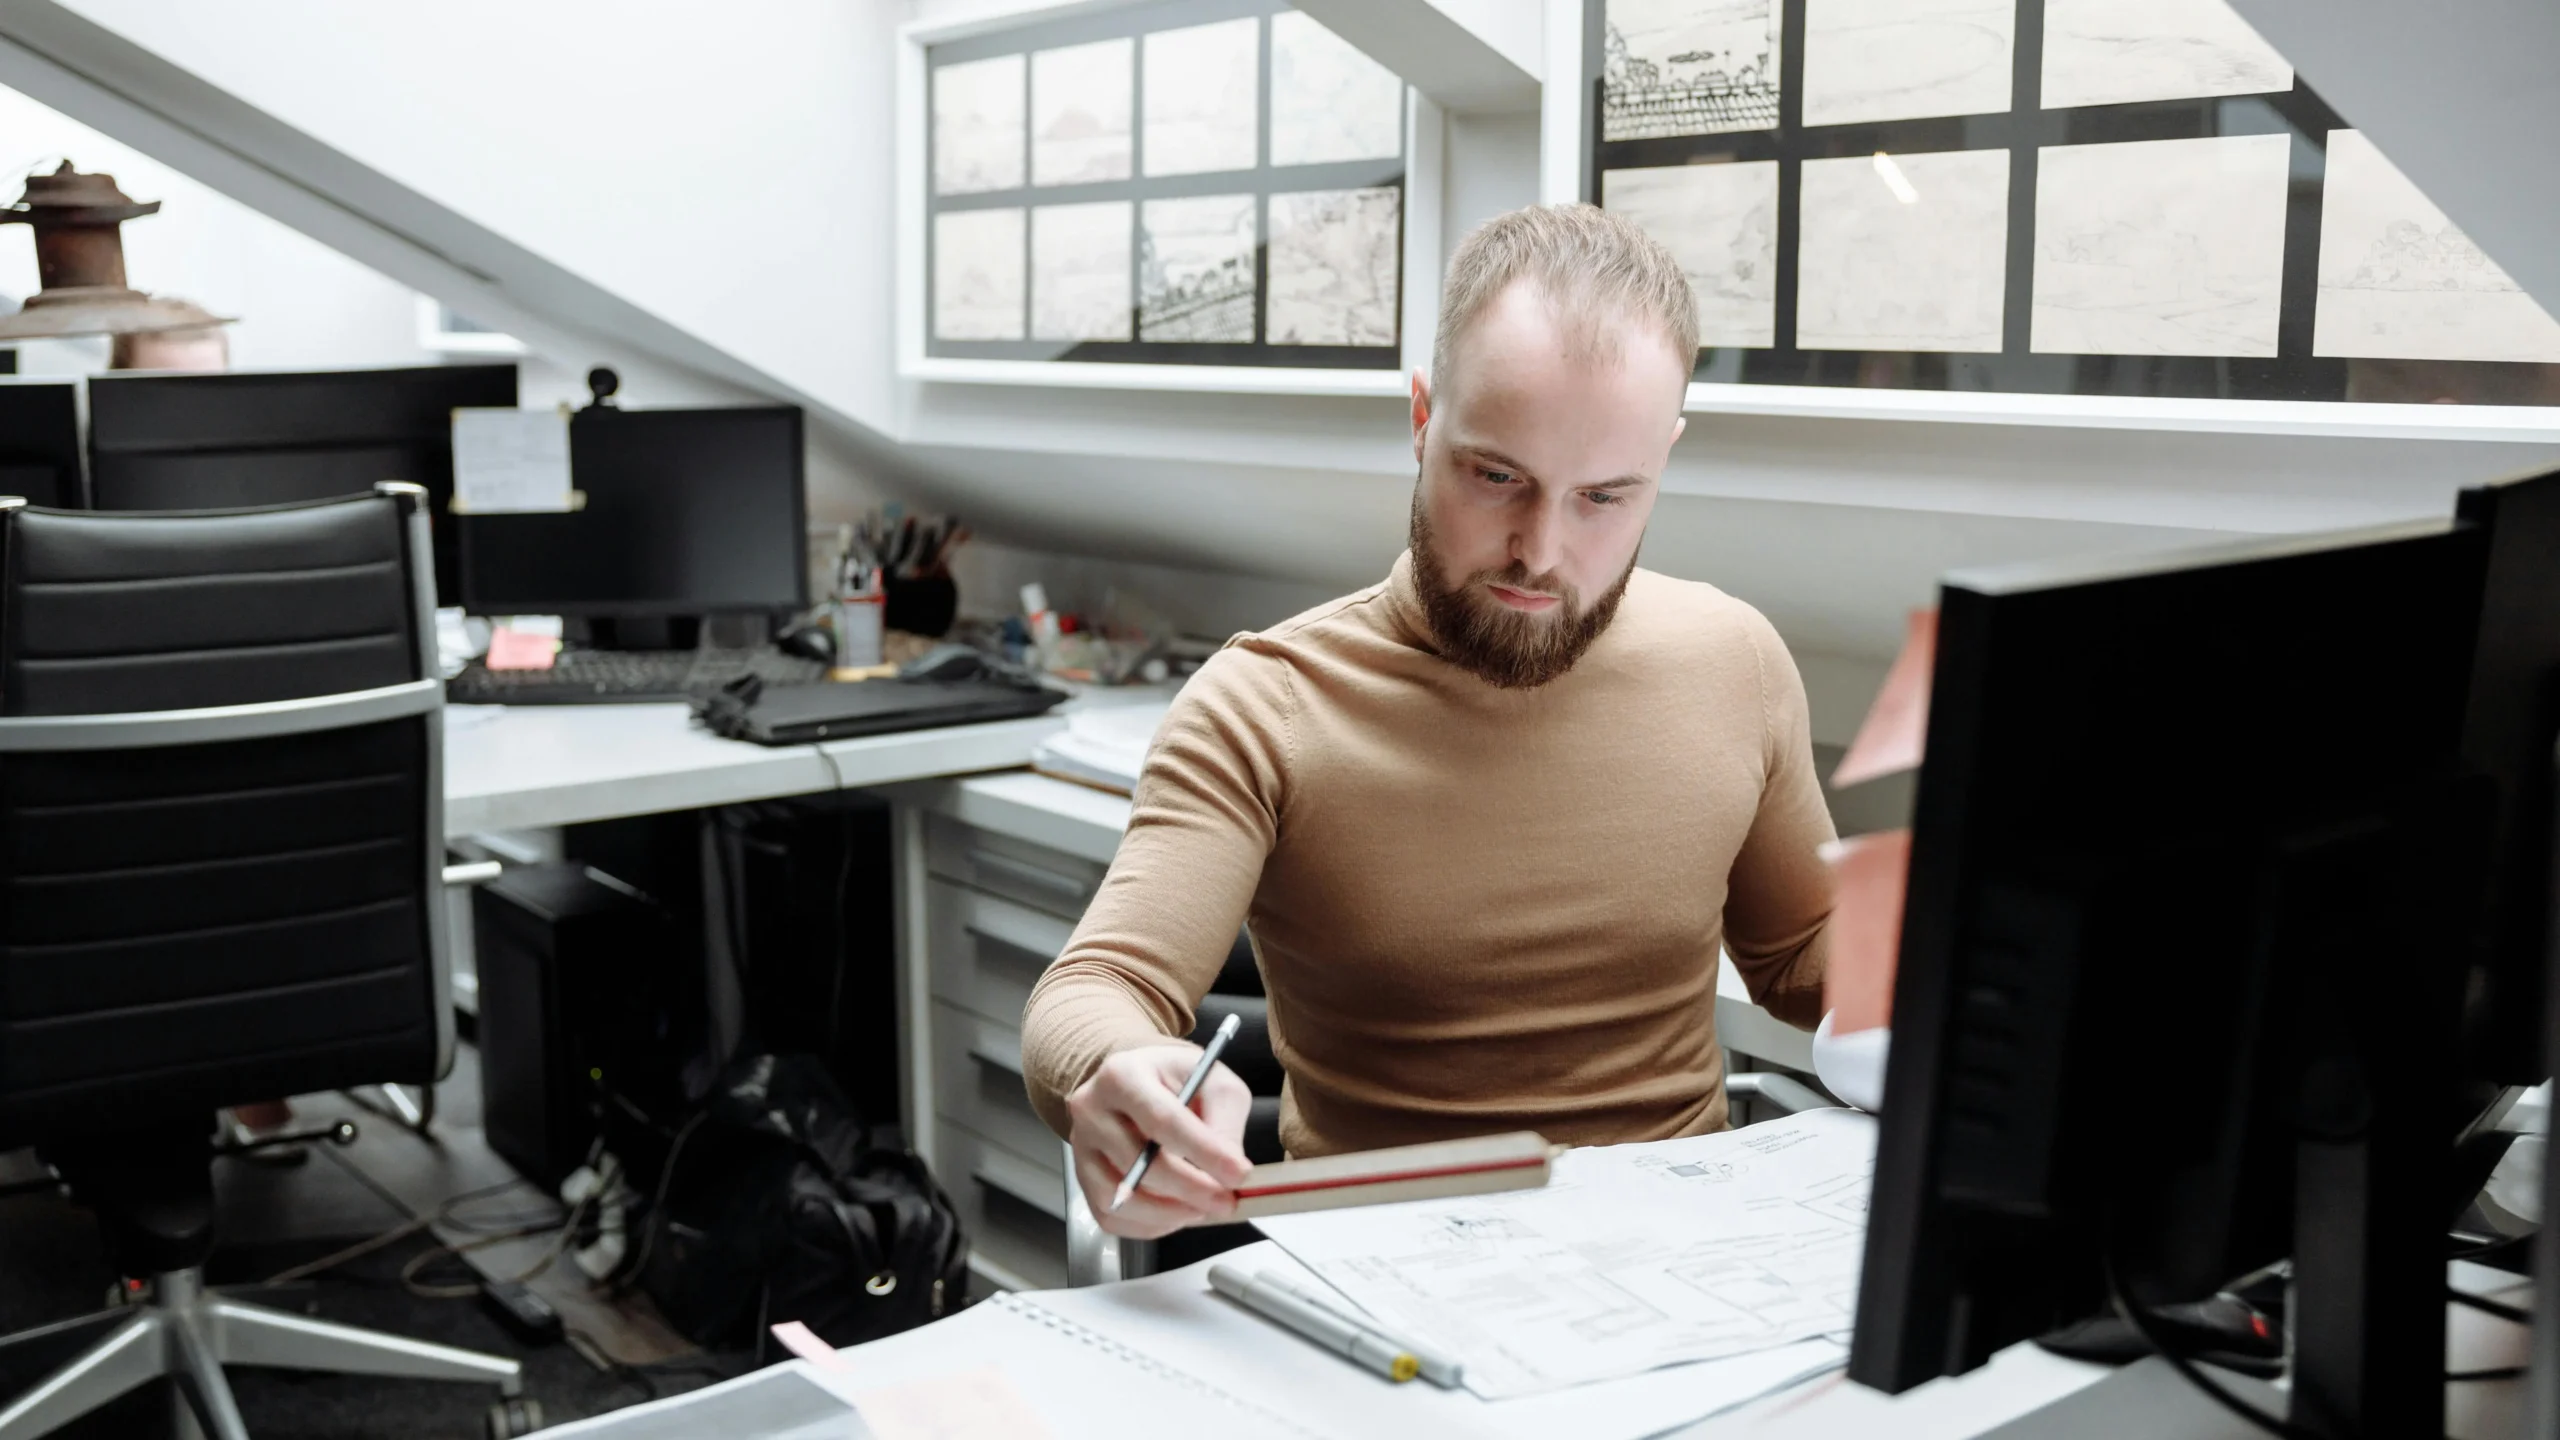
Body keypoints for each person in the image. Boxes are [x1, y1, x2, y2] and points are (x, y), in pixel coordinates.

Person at [1022, 204, 1838, 1240]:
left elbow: (1802, 950)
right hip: (1387, 1277)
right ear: (1422, 418)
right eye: (1496, 477)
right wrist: (1117, 1067)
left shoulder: (1736, 660)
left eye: (1604, 497)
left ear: (1663, 458)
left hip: (1686, 1263)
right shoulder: (1264, 705)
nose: (1539, 549)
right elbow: (1097, 985)